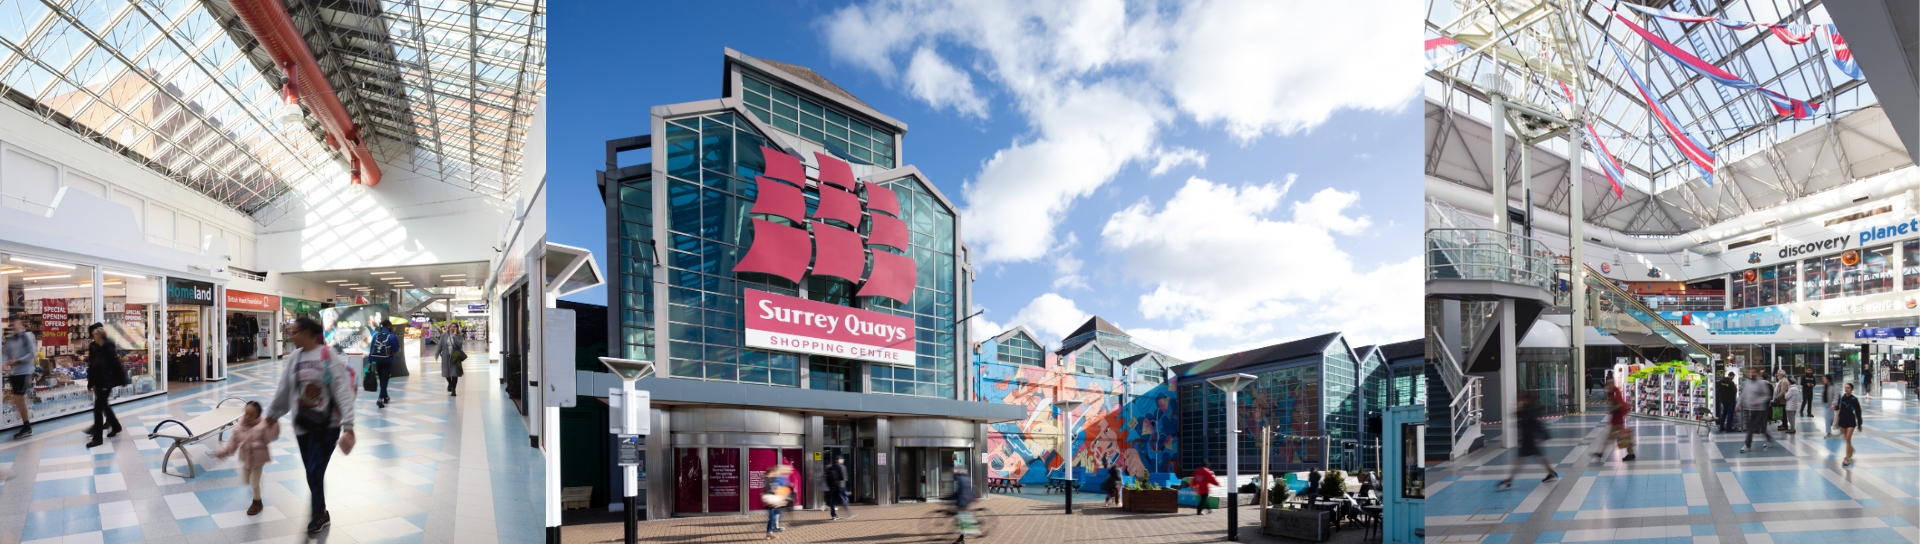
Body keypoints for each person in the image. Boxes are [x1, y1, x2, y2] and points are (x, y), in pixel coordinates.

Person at [266, 317, 357, 534]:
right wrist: (272, 414)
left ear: (307, 333)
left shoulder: (327, 355)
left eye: (294, 332)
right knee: (310, 471)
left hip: (327, 426)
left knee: (315, 470)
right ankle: (322, 512)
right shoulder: (294, 358)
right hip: (303, 425)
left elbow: (342, 390)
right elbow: (285, 388)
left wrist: (349, 425)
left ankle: (319, 513)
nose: (291, 336)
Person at [213, 401, 280, 516]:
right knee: (246, 480)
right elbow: (232, 442)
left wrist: (274, 425)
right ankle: (255, 485)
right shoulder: (240, 426)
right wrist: (224, 451)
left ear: (258, 415)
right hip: (246, 458)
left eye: (251, 414)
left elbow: (271, 437)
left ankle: (257, 502)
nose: (247, 417)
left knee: (254, 483)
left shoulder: (263, 425)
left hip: (259, 460)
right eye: (246, 413)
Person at [1499, 392, 1560, 490]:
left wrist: (1543, 434)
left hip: (1529, 438)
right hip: (1529, 437)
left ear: (1528, 399)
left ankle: (1509, 481)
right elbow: (1518, 415)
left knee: (1521, 460)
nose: (1521, 401)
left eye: (1522, 399)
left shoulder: (1531, 409)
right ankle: (1551, 473)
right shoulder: (1527, 408)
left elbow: (1525, 417)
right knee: (1539, 456)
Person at [84, 324, 127, 448]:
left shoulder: (108, 346)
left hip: (106, 383)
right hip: (99, 381)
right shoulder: (96, 347)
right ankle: (116, 426)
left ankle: (97, 438)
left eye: (94, 335)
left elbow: (116, 364)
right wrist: (90, 383)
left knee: (98, 408)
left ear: (98, 335)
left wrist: (123, 380)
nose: (93, 337)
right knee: (104, 406)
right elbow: (92, 366)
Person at [4, 318, 38, 439]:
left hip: (25, 372)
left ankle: (27, 427)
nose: (12, 324)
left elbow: (32, 353)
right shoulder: (10, 338)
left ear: (19, 322)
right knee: (17, 400)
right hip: (15, 373)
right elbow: (5, 352)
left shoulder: (27, 336)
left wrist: (17, 360)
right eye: (11, 322)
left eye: (14, 322)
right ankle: (26, 425)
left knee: (19, 399)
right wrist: (3, 363)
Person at [1594, 377, 1636, 461]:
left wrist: (1619, 420)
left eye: (1608, 384)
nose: (1607, 386)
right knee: (1613, 436)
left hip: (1618, 418)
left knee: (1622, 435)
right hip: (1617, 417)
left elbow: (1618, 407)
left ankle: (1631, 453)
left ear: (1611, 384)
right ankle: (1601, 452)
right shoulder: (1613, 392)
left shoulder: (1615, 393)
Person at [1740, 367, 1776, 453]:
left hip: (1760, 410)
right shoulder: (1748, 383)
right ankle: (1769, 439)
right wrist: (1738, 404)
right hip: (1750, 409)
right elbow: (1743, 394)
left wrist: (1759, 402)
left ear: (1757, 373)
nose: (1751, 374)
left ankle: (1747, 445)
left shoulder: (1762, 383)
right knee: (1760, 428)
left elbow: (1767, 396)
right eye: (1750, 372)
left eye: (1753, 372)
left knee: (1751, 427)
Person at [368, 323, 399, 409]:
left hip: (378, 360)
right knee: (384, 379)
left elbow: (371, 349)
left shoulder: (376, 336)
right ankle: (380, 399)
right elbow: (396, 349)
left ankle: (385, 397)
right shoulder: (392, 336)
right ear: (389, 326)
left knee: (381, 379)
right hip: (387, 360)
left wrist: (370, 360)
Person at [1835, 382, 1862, 466]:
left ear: (1851, 389)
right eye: (1845, 387)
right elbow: (1839, 408)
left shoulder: (1854, 399)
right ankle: (1851, 449)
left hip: (1851, 420)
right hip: (1843, 420)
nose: (1846, 389)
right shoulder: (1842, 398)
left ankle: (1846, 457)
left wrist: (1859, 423)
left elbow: (1858, 412)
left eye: (1848, 388)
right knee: (1846, 439)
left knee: (1848, 437)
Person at [764, 464, 793, 539]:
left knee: (772, 517)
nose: (777, 474)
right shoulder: (769, 480)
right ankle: (770, 531)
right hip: (770, 500)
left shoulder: (772, 479)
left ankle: (769, 532)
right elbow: (771, 490)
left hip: (772, 500)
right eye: (775, 472)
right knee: (772, 517)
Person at [438, 322, 465, 396]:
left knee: (454, 374)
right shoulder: (444, 335)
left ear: (457, 328)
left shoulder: (459, 335)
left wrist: (455, 336)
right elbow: (440, 344)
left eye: (454, 327)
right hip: (445, 356)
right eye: (451, 327)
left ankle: (453, 390)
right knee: (446, 373)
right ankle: (450, 383)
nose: (452, 328)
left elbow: (459, 344)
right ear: (449, 328)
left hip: (455, 356)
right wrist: (437, 353)